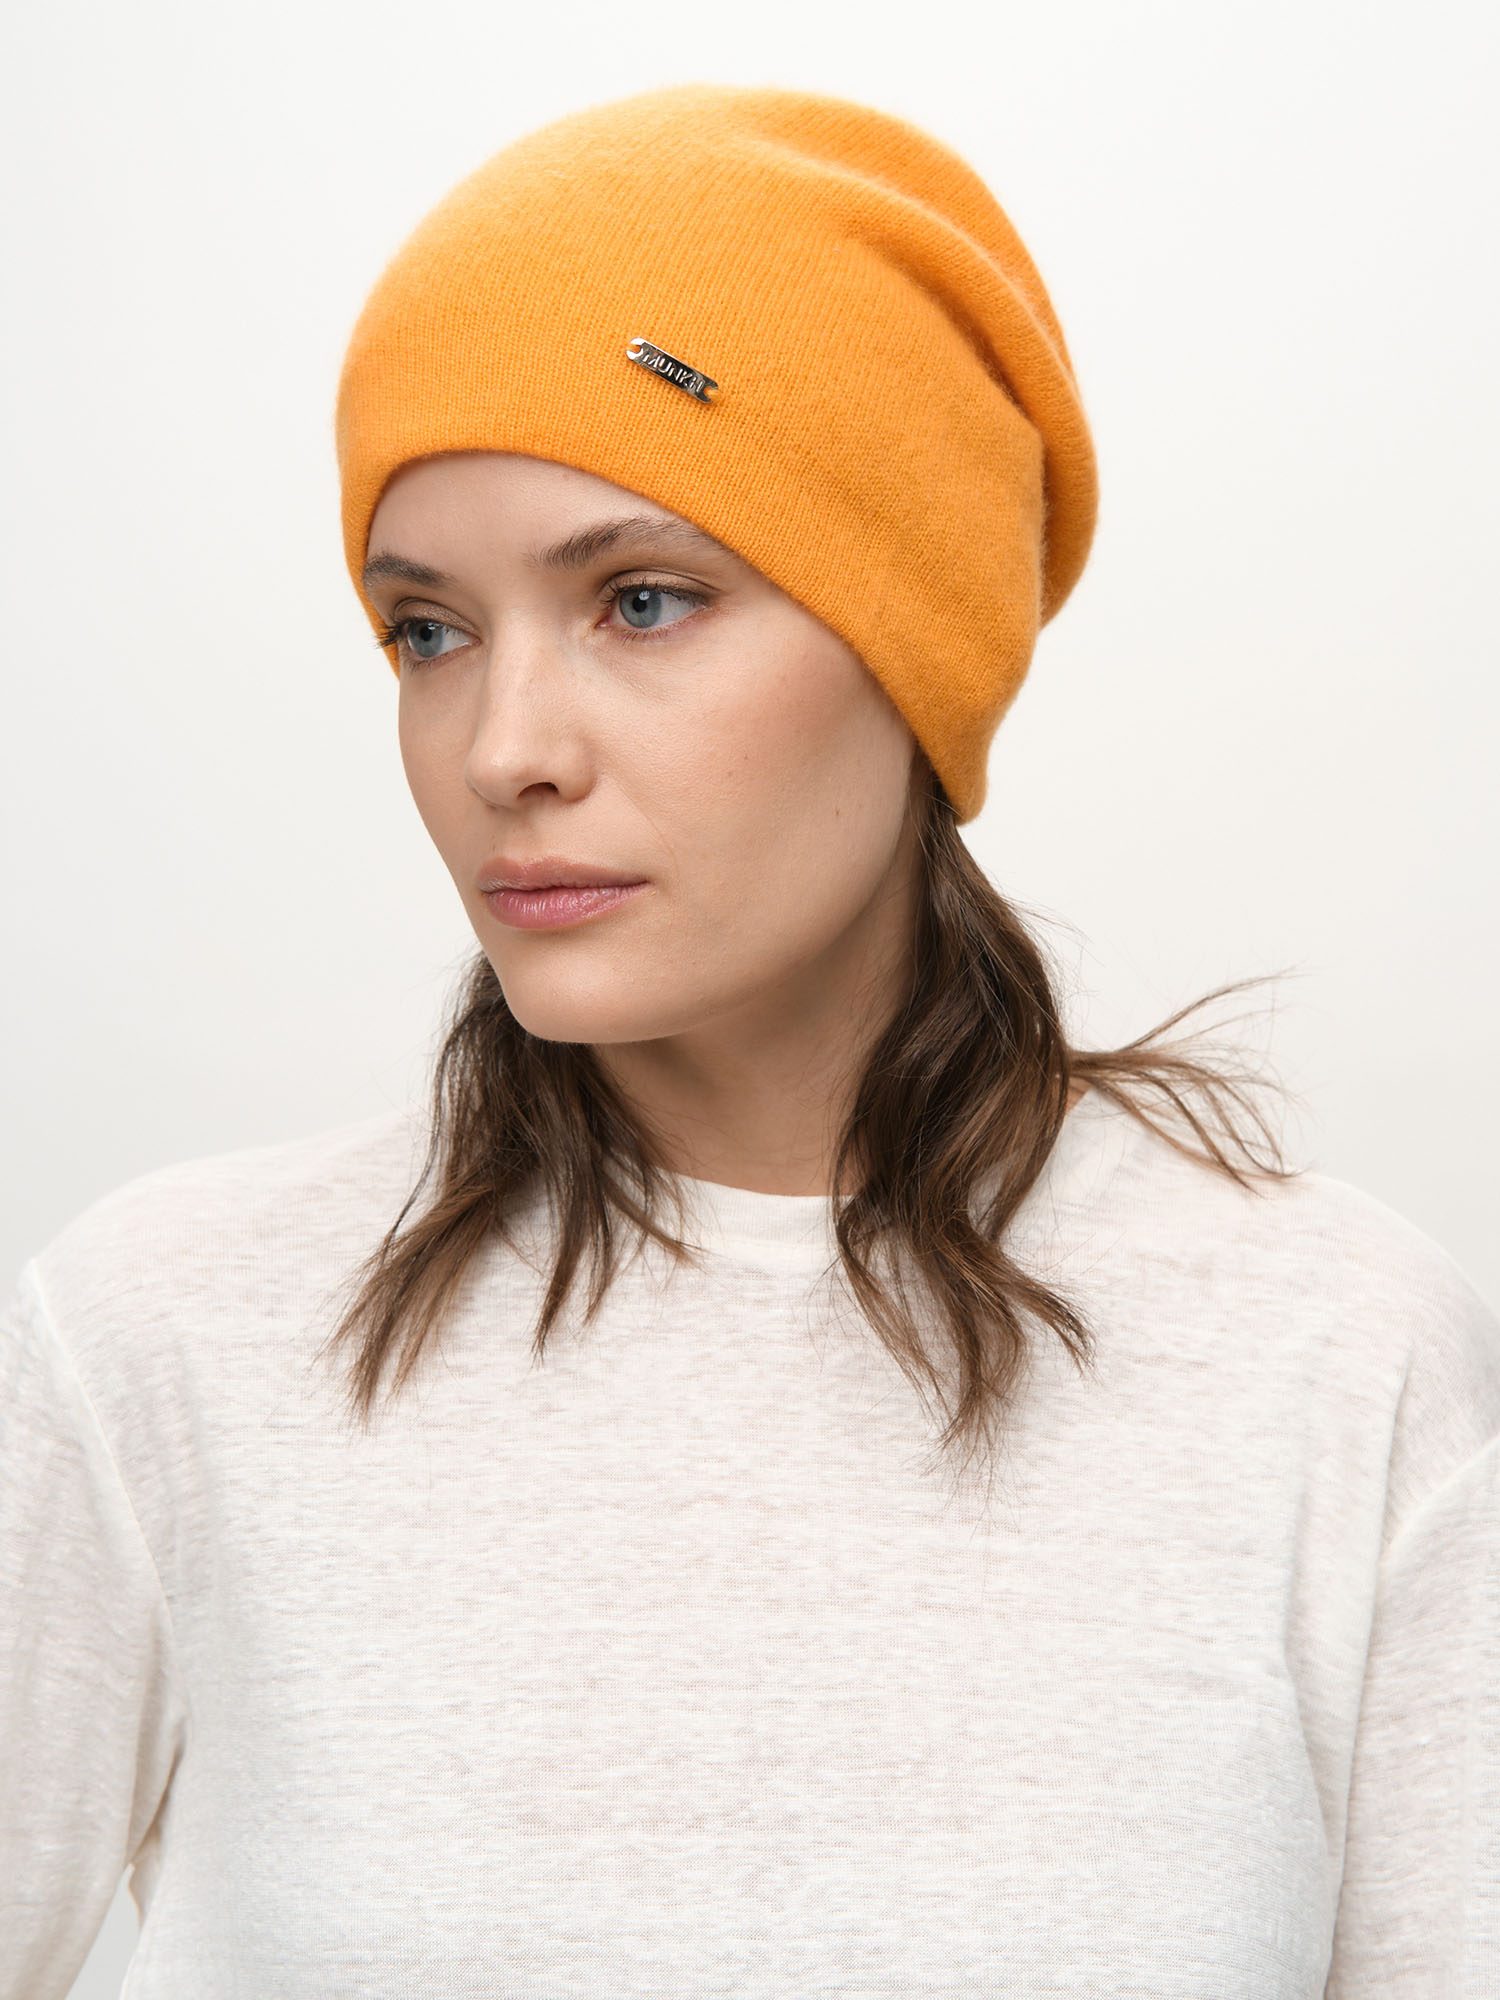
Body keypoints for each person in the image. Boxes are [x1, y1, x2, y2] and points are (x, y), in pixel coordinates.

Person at [2, 82, 1496, 2000]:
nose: (503, 749)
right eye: (429, 631)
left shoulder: (1340, 1362)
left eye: (642, 601)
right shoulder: (160, 1342)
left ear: (915, 644)